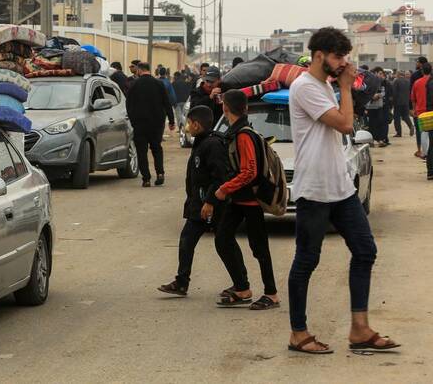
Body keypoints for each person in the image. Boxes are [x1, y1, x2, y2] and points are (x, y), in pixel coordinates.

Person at [287, 27, 399, 354]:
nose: (343, 63)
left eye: (345, 57)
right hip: (314, 187)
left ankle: (359, 328)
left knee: (365, 250)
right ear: (319, 55)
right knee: (306, 260)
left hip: (340, 186)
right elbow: (345, 124)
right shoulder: (304, 87)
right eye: (338, 57)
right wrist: (347, 88)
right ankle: (298, 333)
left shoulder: (324, 85)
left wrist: (343, 87)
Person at [213, 90, 279, 311]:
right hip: (239, 200)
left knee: (259, 248)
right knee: (222, 238)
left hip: (250, 201)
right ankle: (242, 288)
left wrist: (225, 189)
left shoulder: (243, 135)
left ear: (225, 108)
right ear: (246, 109)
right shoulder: (237, 131)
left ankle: (271, 294)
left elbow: (249, 171)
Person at [157, 105, 229, 296]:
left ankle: (241, 285)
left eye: (189, 123)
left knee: (225, 245)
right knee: (187, 241)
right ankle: (182, 282)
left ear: (197, 124)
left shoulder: (212, 144)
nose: (187, 127)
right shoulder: (201, 142)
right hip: (199, 204)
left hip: (213, 205)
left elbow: (219, 177)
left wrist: (210, 202)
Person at [126, 62, 175, 187]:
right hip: (156, 123)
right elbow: (167, 102)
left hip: (139, 124)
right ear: (149, 70)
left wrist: (132, 120)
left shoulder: (134, 85)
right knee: (156, 148)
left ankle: (146, 179)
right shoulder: (159, 84)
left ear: (139, 70)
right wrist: (171, 121)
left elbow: (128, 104)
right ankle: (160, 173)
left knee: (141, 151)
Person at [411, 63, 430, 159]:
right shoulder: (431, 82)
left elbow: (413, 99)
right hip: (431, 110)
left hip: (421, 112)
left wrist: (414, 110)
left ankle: (424, 153)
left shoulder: (417, 82)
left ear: (422, 71)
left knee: (423, 132)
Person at [366, 67, 388, 147]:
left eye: (382, 74)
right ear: (375, 73)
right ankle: (371, 141)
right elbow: (365, 92)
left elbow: (384, 92)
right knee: (372, 124)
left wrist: (379, 95)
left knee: (380, 123)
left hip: (379, 106)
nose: (381, 75)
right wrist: (372, 96)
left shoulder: (382, 82)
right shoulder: (369, 81)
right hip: (371, 106)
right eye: (380, 73)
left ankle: (380, 140)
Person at [392, 70, 415, 137]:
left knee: (396, 118)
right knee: (405, 116)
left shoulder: (396, 81)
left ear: (398, 74)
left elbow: (394, 92)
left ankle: (399, 132)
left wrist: (393, 102)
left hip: (398, 102)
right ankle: (411, 126)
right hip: (406, 102)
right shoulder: (408, 81)